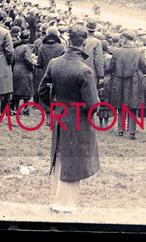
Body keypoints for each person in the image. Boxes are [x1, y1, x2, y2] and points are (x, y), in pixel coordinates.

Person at [38, 24, 100, 214]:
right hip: (78, 119)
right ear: (85, 42)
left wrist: (53, 106)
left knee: (60, 157)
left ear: (68, 39)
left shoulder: (54, 63)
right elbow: (93, 105)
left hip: (60, 115)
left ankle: (57, 200)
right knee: (73, 162)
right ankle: (64, 205)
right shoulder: (85, 70)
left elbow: (41, 90)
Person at [106, 29, 146, 139]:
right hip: (133, 83)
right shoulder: (138, 52)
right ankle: (132, 132)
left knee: (120, 106)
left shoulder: (117, 51)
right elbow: (145, 69)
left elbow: (110, 68)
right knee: (132, 107)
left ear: (125, 39)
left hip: (119, 81)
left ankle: (120, 129)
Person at [10, 30, 37, 113]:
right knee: (26, 91)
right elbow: (28, 60)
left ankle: (16, 108)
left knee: (16, 90)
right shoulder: (27, 48)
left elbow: (12, 59)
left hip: (16, 69)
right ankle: (26, 109)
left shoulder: (16, 48)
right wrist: (32, 68)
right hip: (25, 70)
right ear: (28, 38)